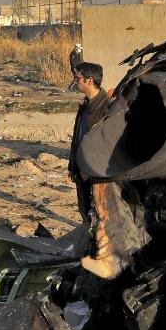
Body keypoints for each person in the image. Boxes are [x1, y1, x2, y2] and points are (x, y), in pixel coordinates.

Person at [68, 62, 112, 223]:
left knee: (100, 216)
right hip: (82, 171)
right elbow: (77, 137)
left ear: (90, 80)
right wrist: (72, 166)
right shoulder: (85, 105)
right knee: (86, 212)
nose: (75, 81)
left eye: (78, 77)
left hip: (98, 175)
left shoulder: (108, 108)